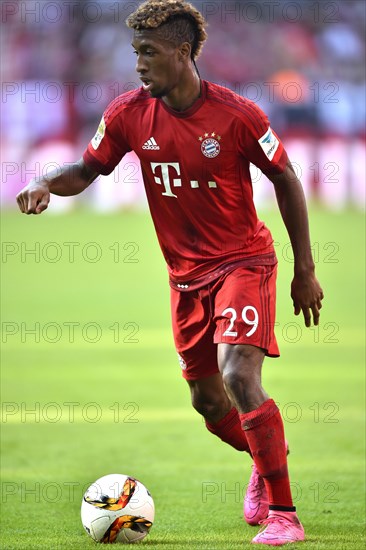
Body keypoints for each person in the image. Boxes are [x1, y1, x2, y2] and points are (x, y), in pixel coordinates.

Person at [16, 0, 324, 545]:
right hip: (185, 280)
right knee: (209, 403)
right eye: (136, 52)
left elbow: (287, 178)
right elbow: (86, 170)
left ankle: (284, 514)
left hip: (243, 262)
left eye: (149, 53)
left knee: (238, 376)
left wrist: (305, 269)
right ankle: (265, 454)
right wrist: (45, 181)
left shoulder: (237, 115)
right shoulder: (129, 113)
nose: (138, 63)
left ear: (182, 53)